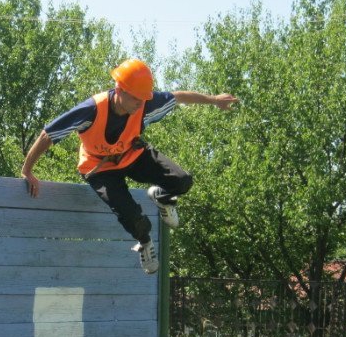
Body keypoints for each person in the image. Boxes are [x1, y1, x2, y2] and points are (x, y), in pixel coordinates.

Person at [21, 58, 238, 274]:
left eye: (144, 98)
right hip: (99, 168)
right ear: (119, 90)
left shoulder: (145, 104)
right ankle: (145, 244)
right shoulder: (91, 110)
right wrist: (27, 170)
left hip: (132, 155)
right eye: (136, 98)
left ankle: (162, 197)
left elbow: (179, 96)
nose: (140, 104)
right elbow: (48, 135)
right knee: (133, 217)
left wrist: (214, 100)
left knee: (182, 181)